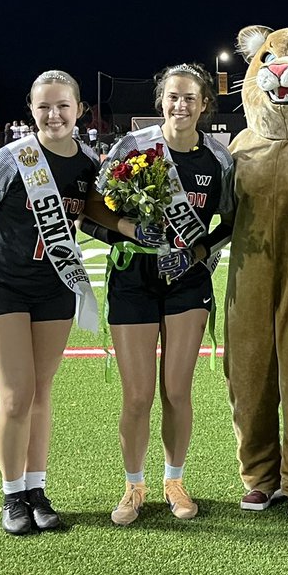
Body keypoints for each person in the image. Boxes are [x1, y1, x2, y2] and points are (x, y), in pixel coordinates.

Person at [84, 63, 234, 527]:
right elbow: (92, 207)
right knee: (137, 396)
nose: (180, 105)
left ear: (205, 104)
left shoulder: (219, 158)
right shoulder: (134, 146)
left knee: (176, 390)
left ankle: (174, 480)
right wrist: (130, 227)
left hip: (187, 283)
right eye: (173, 97)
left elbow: (230, 220)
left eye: (190, 98)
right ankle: (133, 485)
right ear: (161, 101)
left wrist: (200, 251)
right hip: (134, 280)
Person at [0, 70, 99, 535]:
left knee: (41, 392)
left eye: (63, 105)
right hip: (0, 288)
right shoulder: (11, 158)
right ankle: (12, 494)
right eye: (44, 107)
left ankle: (37, 489)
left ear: (79, 109)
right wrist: (2, 262)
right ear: (32, 110)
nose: (54, 115)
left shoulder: (90, 163)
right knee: (16, 394)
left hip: (54, 288)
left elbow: (98, 217)